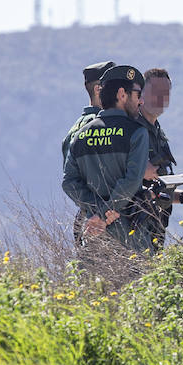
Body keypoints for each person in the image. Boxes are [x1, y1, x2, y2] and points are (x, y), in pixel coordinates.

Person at [62, 64, 151, 254]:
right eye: (137, 94)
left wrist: (95, 212)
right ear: (122, 94)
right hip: (130, 238)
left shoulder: (80, 135)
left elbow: (68, 182)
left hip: (93, 236)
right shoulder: (136, 133)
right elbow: (133, 180)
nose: (141, 101)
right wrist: (104, 213)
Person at [129, 67, 183, 253]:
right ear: (140, 94)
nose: (162, 97)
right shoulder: (131, 129)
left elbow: (157, 184)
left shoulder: (157, 133)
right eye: (156, 91)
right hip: (133, 225)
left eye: (166, 93)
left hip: (156, 224)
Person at [62, 60, 114, 245]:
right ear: (100, 89)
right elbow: (72, 182)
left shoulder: (78, 126)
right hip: (102, 224)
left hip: (94, 219)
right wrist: (100, 211)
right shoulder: (96, 126)